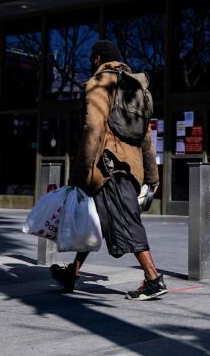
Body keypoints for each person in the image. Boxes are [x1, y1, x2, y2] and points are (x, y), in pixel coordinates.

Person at [50, 39, 166, 300]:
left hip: (108, 166)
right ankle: (72, 273)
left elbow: (93, 129)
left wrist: (80, 173)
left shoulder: (101, 83)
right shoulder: (134, 87)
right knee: (98, 219)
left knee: (126, 220)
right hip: (131, 167)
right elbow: (146, 136)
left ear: (96, 60)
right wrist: (151, 175)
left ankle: (152, 278)